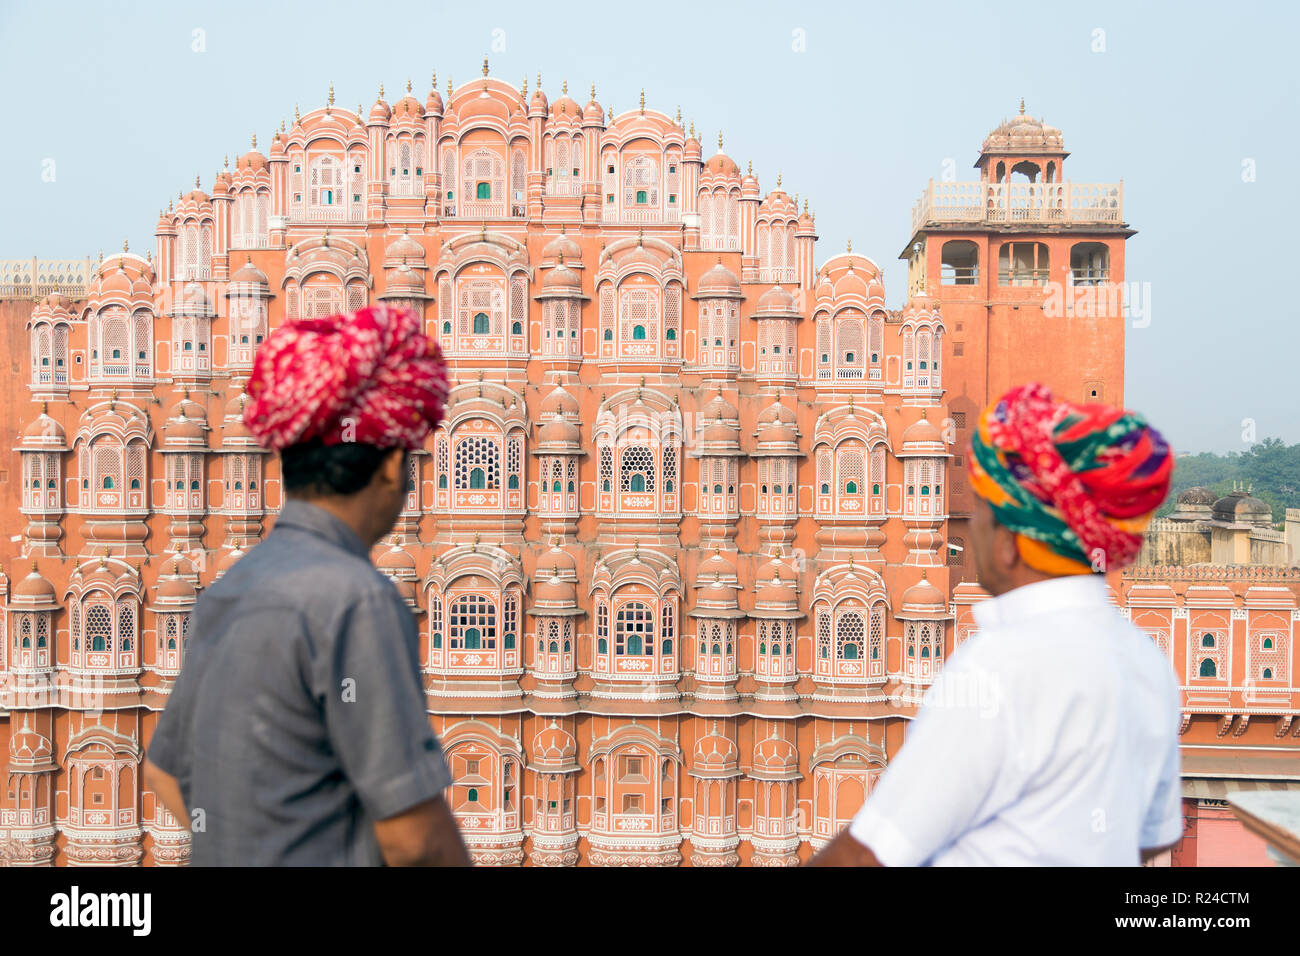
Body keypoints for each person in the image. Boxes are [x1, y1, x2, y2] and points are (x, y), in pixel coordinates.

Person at [144, 303, 469, 866]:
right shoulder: (355, 599)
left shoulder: (229, 588)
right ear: (393, 464)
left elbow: (165, 772)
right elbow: (415, 839)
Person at [811, 382, 1180, 866]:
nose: (971, 528)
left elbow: (868, 858)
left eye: (981, 511)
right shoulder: (1146, 660)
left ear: (1010, 540)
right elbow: (1153, 837)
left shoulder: (1000, 669)